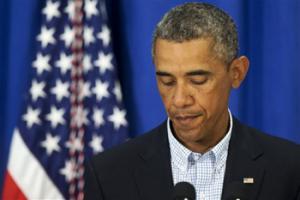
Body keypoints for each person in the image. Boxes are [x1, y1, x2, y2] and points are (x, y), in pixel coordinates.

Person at [84, 2, 300, 200]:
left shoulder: (289, 169)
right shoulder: (108, 174)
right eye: (167, 82)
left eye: (197, 80)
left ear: (236, 73)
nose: (179, 100)